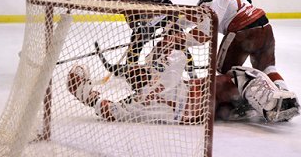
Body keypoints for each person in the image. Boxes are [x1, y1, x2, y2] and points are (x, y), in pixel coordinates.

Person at [67, 27, 297, 123]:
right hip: (200, 98)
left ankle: (250, 109)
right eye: (138, 71)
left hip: (198, 114)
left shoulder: (137, 102)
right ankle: (271, 104)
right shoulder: (162, 78)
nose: (141, 69)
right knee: (234, 75)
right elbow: (176, 54)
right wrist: (169, 41)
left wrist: (85, 93)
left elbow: (110, 111)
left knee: (227, 91)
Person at [191, 0, 299, 121]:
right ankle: (285, 99)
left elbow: (203, 33)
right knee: (268, 68)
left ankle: (239, 103)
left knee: (226, 70)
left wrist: (180, 40)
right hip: (265, 26)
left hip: (244, 32)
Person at [119, 0, 173, 65]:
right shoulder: (126, 1)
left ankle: (189, 68)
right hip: (150, 21)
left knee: (176, 38)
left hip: (166, 14)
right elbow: (129, 18)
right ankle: (131, 68)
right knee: (135, 41)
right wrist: (137, 27)